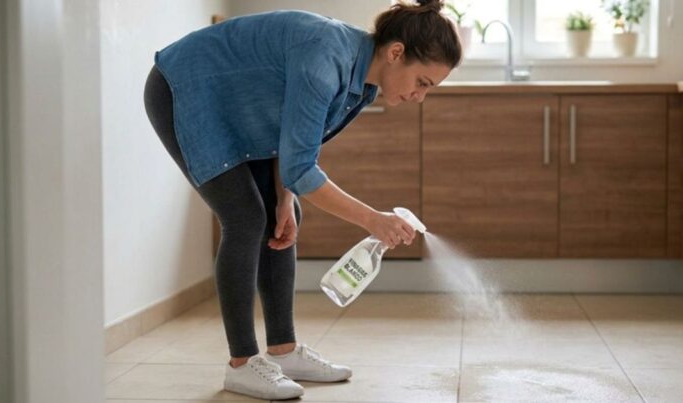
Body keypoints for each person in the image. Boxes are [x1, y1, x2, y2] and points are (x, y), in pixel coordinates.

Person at [143, 0, 461, 399]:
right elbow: (301, 168)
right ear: (396, 53)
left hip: (239, 104)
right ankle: (241, 364)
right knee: (244, 218)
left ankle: (284, 351)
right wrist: (373, 221)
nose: (419, 96)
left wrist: (283, 197)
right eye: (423, 82)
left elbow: (296, 148)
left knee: (283, 213)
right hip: (186, 87)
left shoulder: (360, 85)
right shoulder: (325, 57)